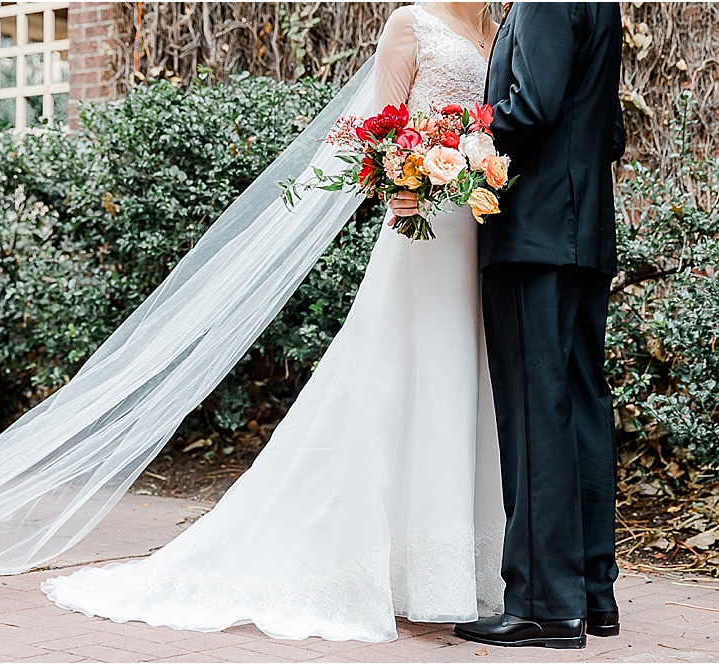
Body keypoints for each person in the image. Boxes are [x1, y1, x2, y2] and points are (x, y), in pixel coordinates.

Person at [38, 2, 508, 643]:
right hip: (423, 227)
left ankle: (448, 571)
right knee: (405, 381)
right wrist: (406, 179)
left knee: (465, 385)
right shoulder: (411, 23)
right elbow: (380, 130)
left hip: (482, 224)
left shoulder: (496, 27)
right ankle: (372, 561)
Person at [451, 1, 626, 649]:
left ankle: (540, 602)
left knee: (532, 413)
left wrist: (454, 141)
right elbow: (610, 132)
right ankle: (590, 593)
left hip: (532, 235)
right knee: (580, 404)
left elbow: (532, 108)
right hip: (581, 233)